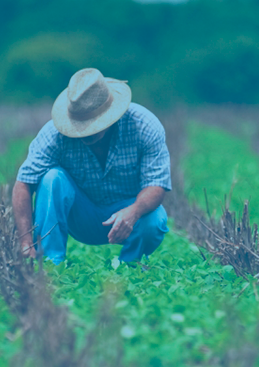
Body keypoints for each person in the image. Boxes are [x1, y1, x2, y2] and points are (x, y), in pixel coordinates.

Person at [12, 68, 171, 264]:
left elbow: (156, 185)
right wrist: (26, 242)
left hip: (128, 212)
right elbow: (23, 183)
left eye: (91, 124)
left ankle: (130, 265)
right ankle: (50, 264)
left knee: (154, 219)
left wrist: (134, 211)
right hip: (81, 216)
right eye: (80, 124)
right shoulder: (54, 135)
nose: (85, 132)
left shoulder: (144, 126)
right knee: (52, 178)